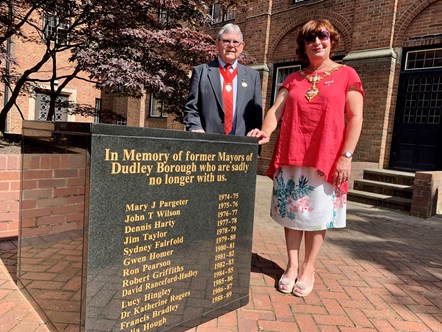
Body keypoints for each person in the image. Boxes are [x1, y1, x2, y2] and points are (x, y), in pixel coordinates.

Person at [248, 19, 364, 297]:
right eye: (310, 38)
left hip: (326, 158)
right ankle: (291, 266)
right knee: (292, 215)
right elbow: (276, 111)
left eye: (322, 36)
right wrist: (265, 131)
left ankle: (308, 268)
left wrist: (346, 157)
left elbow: (356, 117)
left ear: (331, 40)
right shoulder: (294, 78)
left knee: (317, 217)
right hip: (293, 156)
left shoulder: (347, 74)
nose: (317, 43)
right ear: (303, 45)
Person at [184, 23, 262, 135]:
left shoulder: (252, 76)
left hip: (241, 146)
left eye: (236, 42)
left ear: (242, 46)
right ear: (217, 43)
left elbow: (257, 115)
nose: (231, 45)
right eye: (226, 41)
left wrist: (254, 145)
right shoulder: (201, 72)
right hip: (206, 144)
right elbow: (191, 108)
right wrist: (196, 129)